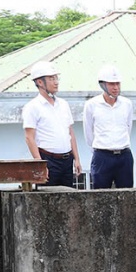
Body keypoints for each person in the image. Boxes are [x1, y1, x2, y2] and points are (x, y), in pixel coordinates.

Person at [23, 60, 81, 188]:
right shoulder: (32, 107)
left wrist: (76, 158)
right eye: (51, 78)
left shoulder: (63, 104)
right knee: (47, 199)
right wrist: (40, 164)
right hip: (48, 159)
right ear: (39, 82)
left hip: (67, 159)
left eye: (56, 78)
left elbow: (70, 132)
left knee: (68, 198)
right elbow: (29, 137)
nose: (56, 82)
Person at [82, 64, 135, 189]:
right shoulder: (91, 105)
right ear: (103, 85)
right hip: (102, 155)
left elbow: (128, 127)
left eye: (118, 84)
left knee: (127, 195)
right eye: (112, 84)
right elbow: (88, 132)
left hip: (124, 155)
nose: (116, 88)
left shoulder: (127, 104)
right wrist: (100, 149)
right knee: (100, 195)